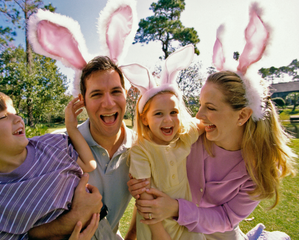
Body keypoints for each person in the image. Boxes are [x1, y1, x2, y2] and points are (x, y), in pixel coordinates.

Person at [127, 4, 297, 240]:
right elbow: (152, 158)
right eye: (200, 104)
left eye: (211, 108)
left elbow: (226, 219)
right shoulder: (191, 136)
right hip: (177, 232)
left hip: (220, 234)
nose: (198, 115)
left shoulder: (258, 168)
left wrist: (175, 208)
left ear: (242, 116)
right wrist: (139, 186)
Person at [0, 29, 102, 240]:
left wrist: (71, 128)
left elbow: (89, 165)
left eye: (14, 112)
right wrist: (71, 222)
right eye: (2, 117)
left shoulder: (52, 144)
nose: (17, 119)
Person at [28, 56, 136, 240]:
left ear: (126, 94)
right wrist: (71, 221)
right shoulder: (56, 146)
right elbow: (23, 228)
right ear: (82, 100)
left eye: (116, 91)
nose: (109, 103)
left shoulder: (140, 146)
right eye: (97, 94)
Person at [120, 45, 204, 240]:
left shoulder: (183, 135)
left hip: (185, 220)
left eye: (173, 112)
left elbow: (206, 124)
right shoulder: (141, 150)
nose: (168, 120)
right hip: (155, 225)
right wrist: (159, 234)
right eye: (158, 114)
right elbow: (144, 194)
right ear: (144, 119)